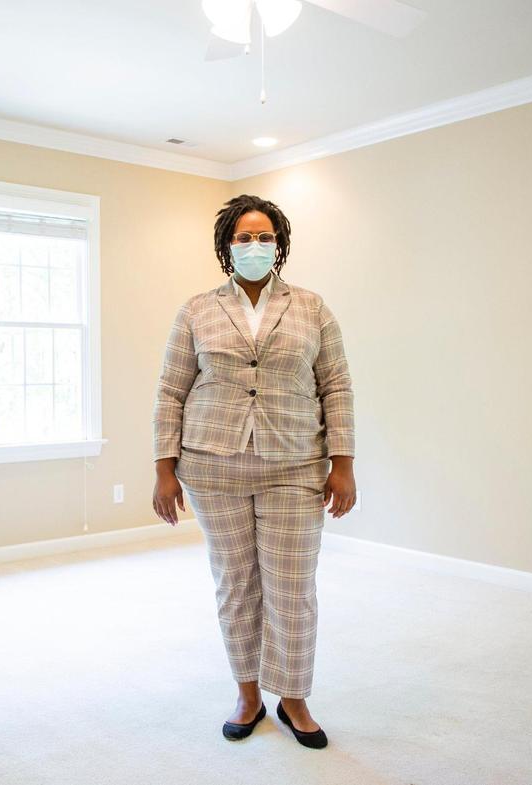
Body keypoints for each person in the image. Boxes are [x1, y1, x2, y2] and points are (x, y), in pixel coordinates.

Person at [151, 194, 357, 748]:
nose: (254, 246)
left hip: (293, 462)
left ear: (280, 245)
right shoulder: (196, 310)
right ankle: (248, 693)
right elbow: (172, 390)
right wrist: (164, 469)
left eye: (264, 237)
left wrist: (343, 463)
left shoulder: (312, 308)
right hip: (212, 466)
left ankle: (293, 697)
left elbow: (335, 385)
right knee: (236, 583)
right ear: (226, 247)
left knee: (292, 586)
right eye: (243, 237)